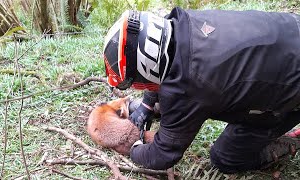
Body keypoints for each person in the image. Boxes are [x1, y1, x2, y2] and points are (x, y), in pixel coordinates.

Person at [102, 7, 300, 173]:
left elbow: (161, 156)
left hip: (292, 91)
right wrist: (147, 104)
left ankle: (286, 143)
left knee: (225, 158)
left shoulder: (188, 88)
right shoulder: (184, 22)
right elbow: (163, 61)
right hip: (292, 30)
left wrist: (134, 148)